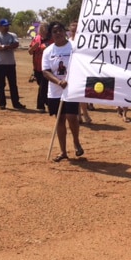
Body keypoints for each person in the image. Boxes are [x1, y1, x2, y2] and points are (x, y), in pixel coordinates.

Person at [42, 21, 84, 162]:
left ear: (64, 31)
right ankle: (63, 151)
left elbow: (81, 65)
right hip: (55, 90)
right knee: (59, 119)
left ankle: (76, 142)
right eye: (54, 32)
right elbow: (46, 72)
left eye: (60, 30)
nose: (58, 33)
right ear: (51, 35)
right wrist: (58, 82)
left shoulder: (74, 47)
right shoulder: (48, 51)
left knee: (72, 117)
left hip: (71, 89)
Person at [0, 19, 26, 110]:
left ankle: (16, 103)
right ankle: (2, 103)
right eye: (5, 26)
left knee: (13, 84)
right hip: (0, 64)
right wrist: (8, 46)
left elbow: (16, 44)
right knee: (1, 84)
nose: (7, 27)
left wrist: (5, 46)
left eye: (8, 26)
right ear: (0, 27)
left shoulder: (13, 35)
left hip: (11, 63)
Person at [68, 19, 92, 123]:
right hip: (70, 71)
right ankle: (78, 116)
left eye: (76, 31)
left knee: (82, 94)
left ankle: (85, 114)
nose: (74, 33)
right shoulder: (68, 42)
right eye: (72, 31)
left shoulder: (83, 42)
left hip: (81, 71)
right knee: (74, 95)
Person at [28, 22, 52, 113]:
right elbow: (30, 52)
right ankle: (45, 102)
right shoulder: (36, 39)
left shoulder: (52, 40)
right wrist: (33, 48)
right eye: (41, 29)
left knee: (43, 86)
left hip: (47, 67)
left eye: (44, 28)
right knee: (41, 86)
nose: (42, 30)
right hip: (37, 67)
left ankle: (41, 105)